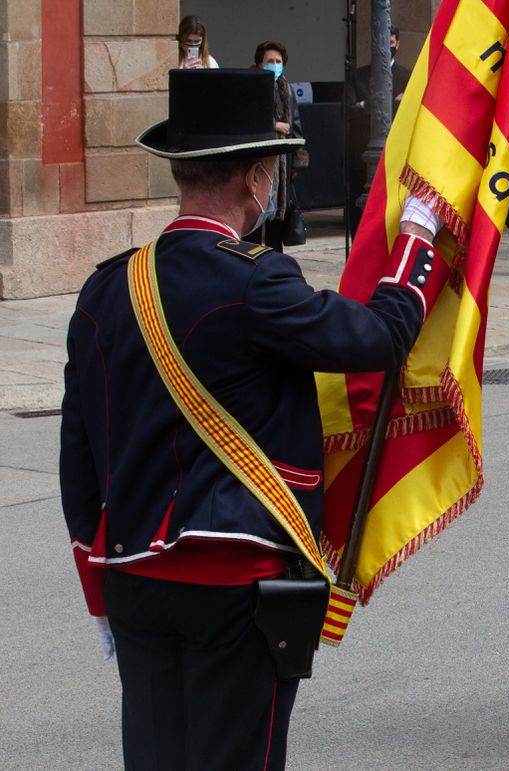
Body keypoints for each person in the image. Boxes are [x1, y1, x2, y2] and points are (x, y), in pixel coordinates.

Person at [60, 68, 449, 769]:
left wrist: (99, 590)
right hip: (234, 584)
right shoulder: (257, 280)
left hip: (133, 581)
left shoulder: (104, 289)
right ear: (254, 179)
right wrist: (420, 243)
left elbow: (79, 458)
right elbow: (379, 340)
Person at [347, 26, 412, 236]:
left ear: (398, 45)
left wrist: (364, 105)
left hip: (397, 150)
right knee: (359, 203)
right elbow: (348, 110)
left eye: (391, 43)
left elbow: (410, 111)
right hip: (361, 149)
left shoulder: (407, 76)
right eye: (382, 43)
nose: (387, 48)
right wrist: (386, 104)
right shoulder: (358, 76)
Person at [247, 40, 309, 251]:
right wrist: (274, 126)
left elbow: (296, 126)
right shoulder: (251, 86)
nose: (275, 64)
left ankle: (274, 259)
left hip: (282, 164)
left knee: (277, 218)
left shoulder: (287, 89)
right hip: (258, 161)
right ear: (259, 64)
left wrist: (297, 162)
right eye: (270, 61)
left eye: (278, 61)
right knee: (255, 215)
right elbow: (247, 120)